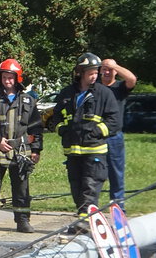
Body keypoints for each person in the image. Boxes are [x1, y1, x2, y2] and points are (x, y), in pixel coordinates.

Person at [49, 53, 118, 228]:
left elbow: (114, 121)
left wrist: (95, 132)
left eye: (96, 72)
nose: (94, 76)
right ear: (80, 73)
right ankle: (84, 219)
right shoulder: (67, 94)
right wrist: (62, 130)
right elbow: (56, 117)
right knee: (76, 187)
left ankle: (85, 221)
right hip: (72, 151)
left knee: (90, 185)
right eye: (91, 73)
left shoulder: (105, 94)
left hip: (94, 151)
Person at [0, 58, 43, 234]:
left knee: (22, 188)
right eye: (5, 77)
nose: (7, 81)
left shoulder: (28, 100)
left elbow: (36, 127)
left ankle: (23, 221)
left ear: (18, 78)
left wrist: (36, 149)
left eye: (11, 78)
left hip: (21, 152)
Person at [99, 57, 137, 208]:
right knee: (93, 175)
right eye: (104, 69)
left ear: (115, 72)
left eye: (110, 70)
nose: (107, 72)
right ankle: (89, 209)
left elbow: (132, 79)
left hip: (114, 137)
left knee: (116, 175)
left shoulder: (120, 87)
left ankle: (118, 209)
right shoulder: (94, 87)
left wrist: (115, 65)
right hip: (94, 138)